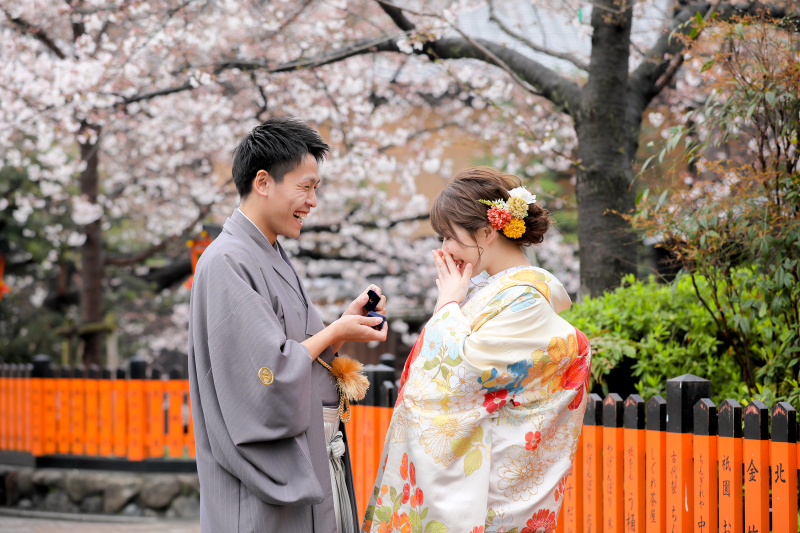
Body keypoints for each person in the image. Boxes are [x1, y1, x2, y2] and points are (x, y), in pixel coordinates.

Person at [362, 167, 591, 533]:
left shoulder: (525, 304)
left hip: (490, 501)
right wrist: (452, 307)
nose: (444, 249)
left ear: (487, 232)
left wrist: (447, 306)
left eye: (448, 236)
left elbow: (455, 382)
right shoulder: (497, 295)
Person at [188, 116, 387, 533]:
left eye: (316, 188)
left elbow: (300, 350)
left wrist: (343, 324)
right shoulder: (227, 260)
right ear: (263, 182)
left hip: (313, 450)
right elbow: (268, 372)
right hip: (263, 480)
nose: (313, 201)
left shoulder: (270, 253)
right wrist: (334, 332)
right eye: (305, 186)